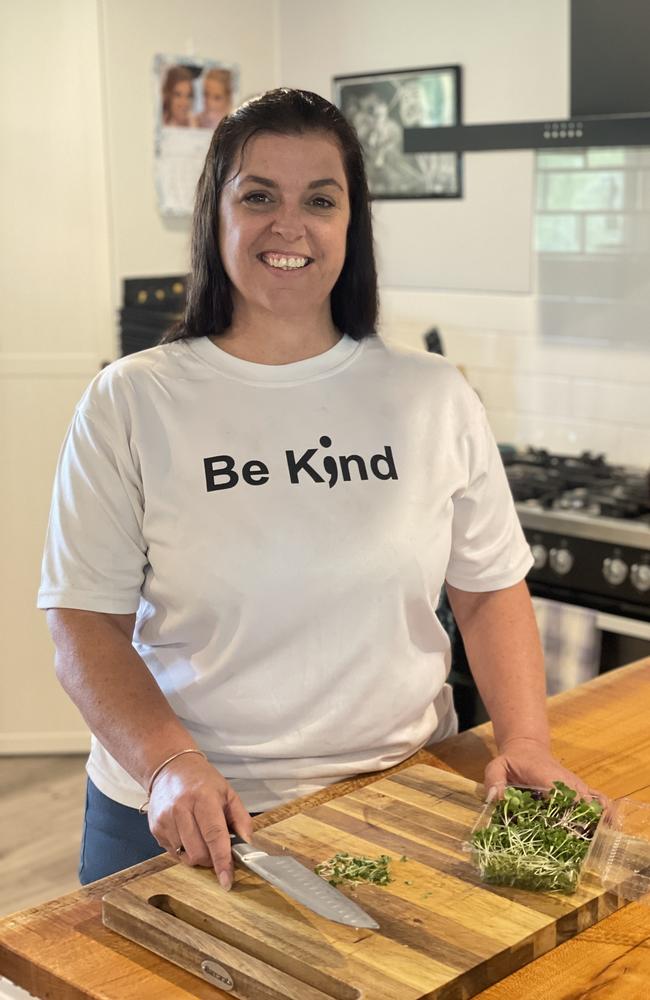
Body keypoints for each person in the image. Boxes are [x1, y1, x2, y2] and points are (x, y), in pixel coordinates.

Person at [39, 87, 600, 893]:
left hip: (400, 791)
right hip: (185, 812)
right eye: (258, 196)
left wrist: (527, 739)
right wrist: (168, 763)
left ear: (351, 223)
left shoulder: (434, 394)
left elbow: (488, 590)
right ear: (216, 215)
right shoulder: (131, 401)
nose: (288, 225)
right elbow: (83, 623)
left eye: (320, 200)